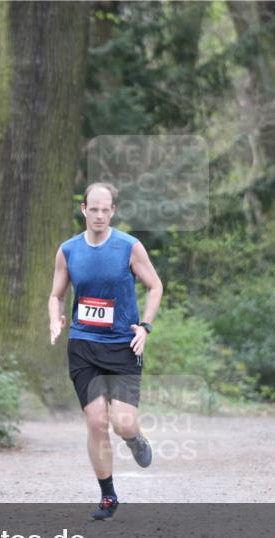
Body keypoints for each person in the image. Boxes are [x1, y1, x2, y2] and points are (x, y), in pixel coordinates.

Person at [48, 182, 163, 520]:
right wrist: (55, 318)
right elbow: (56, 295)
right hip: (83, 345)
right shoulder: (68, 250)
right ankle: (108, 496)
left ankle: (135, 438)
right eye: (93, 209)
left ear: (113, 211)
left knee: (122, 423)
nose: (99, 215)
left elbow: (155, 286)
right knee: (96, 421)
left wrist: (145, 326)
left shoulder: (129, 247)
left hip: (123, 345)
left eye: (105, 210)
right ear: (84, 209)